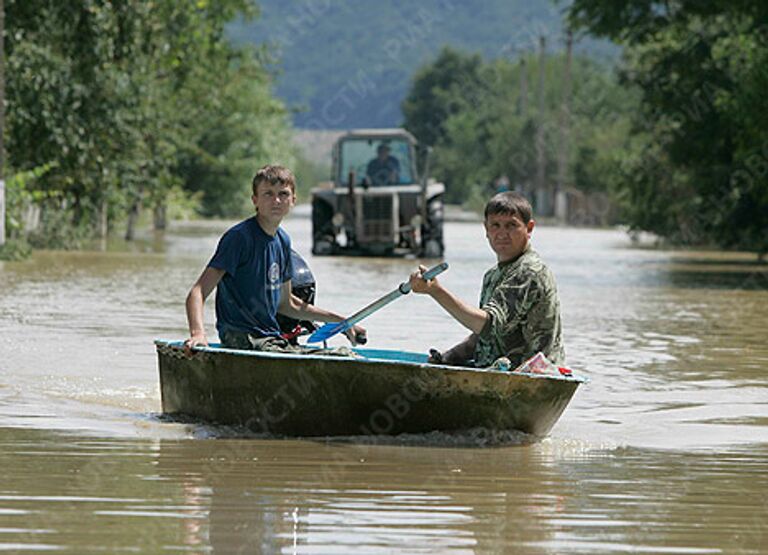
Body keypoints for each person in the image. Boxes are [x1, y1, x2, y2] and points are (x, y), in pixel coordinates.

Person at [184, 164, 364, 352]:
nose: (276, 200)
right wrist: (198, 334)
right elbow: (197, 292)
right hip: (243, 337)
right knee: (330, 359)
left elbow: (287, 304)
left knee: (344, 354)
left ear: (293, 200)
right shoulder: (239, 238)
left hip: (270, 337)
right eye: (268, 194)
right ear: (255, 200)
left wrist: (343, 322)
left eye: (283, 194)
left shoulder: (283, 241)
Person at [408, 191, 564, 369]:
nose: (502, 233)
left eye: (511, 225)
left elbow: (486, 325)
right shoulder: (492, 276)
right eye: (495, 225)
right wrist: (447, 357)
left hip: (534, 375)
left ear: (529, 229)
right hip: (499, 371)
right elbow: (484, 336)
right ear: (486, 229)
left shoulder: (529, 271)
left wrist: (435, 291)